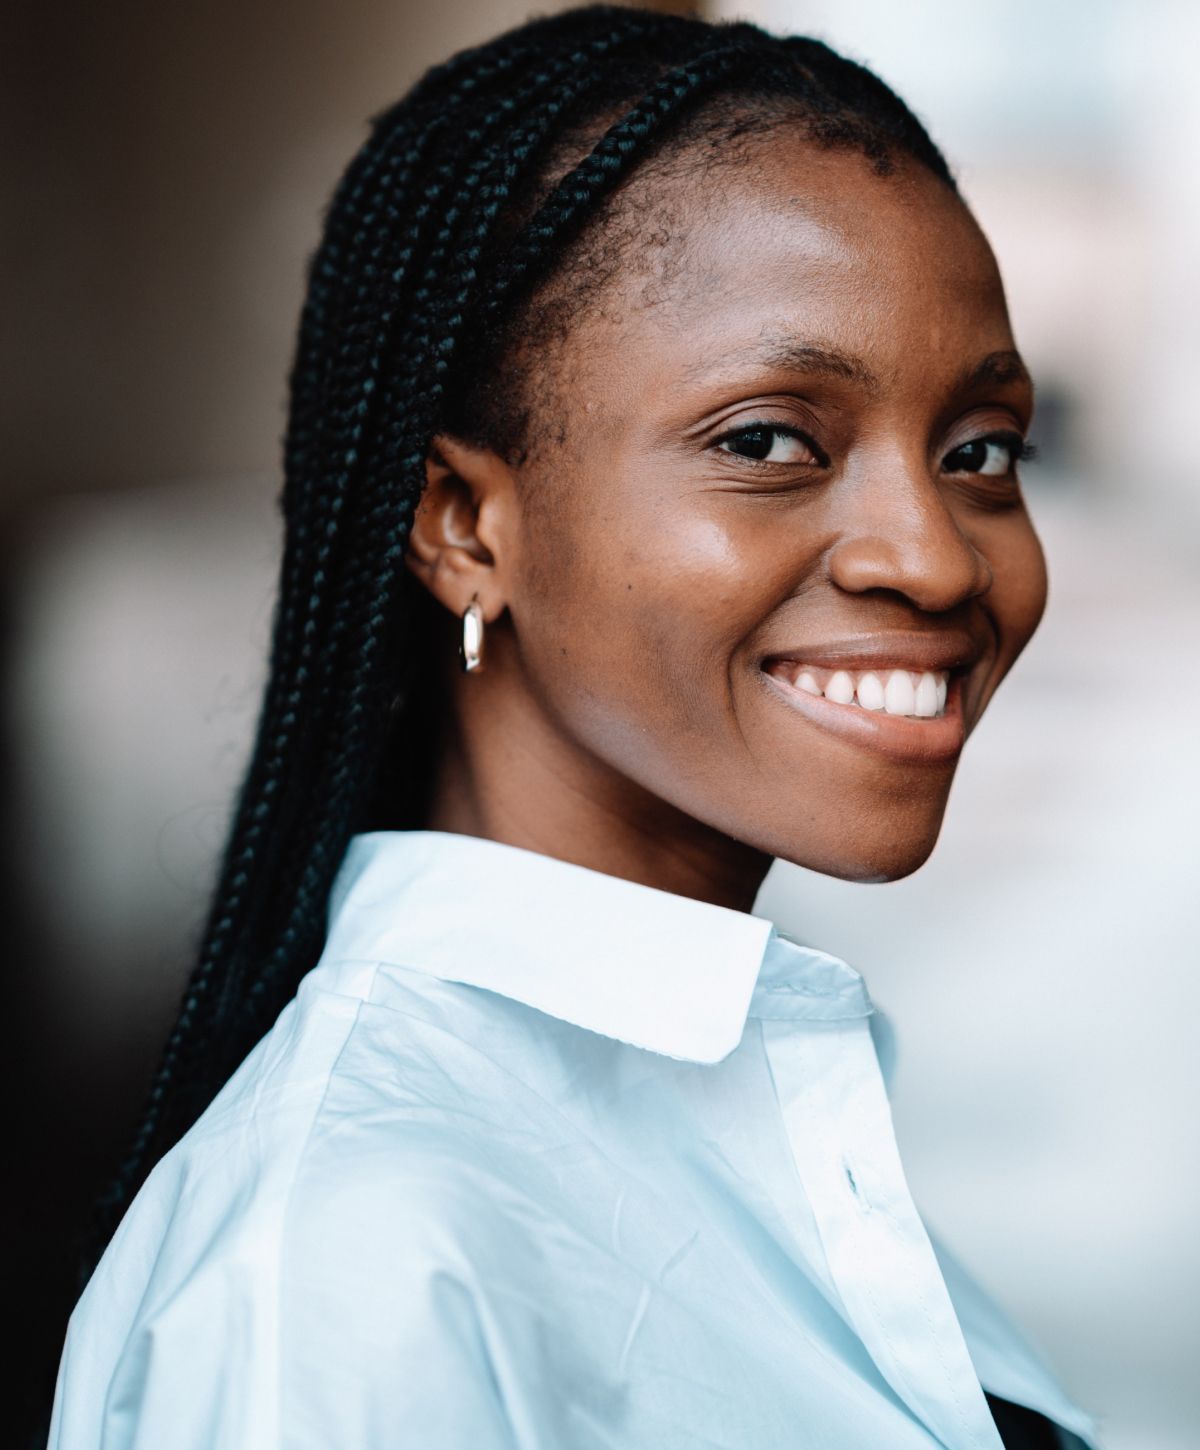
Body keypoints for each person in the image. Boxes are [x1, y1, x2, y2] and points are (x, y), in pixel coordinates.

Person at [47, 6, 1104, 1447]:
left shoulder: (755, 1124)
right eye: (768, 440)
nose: (934, 557)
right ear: (463, 523)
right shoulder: (354, 1271)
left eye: (981, 452)